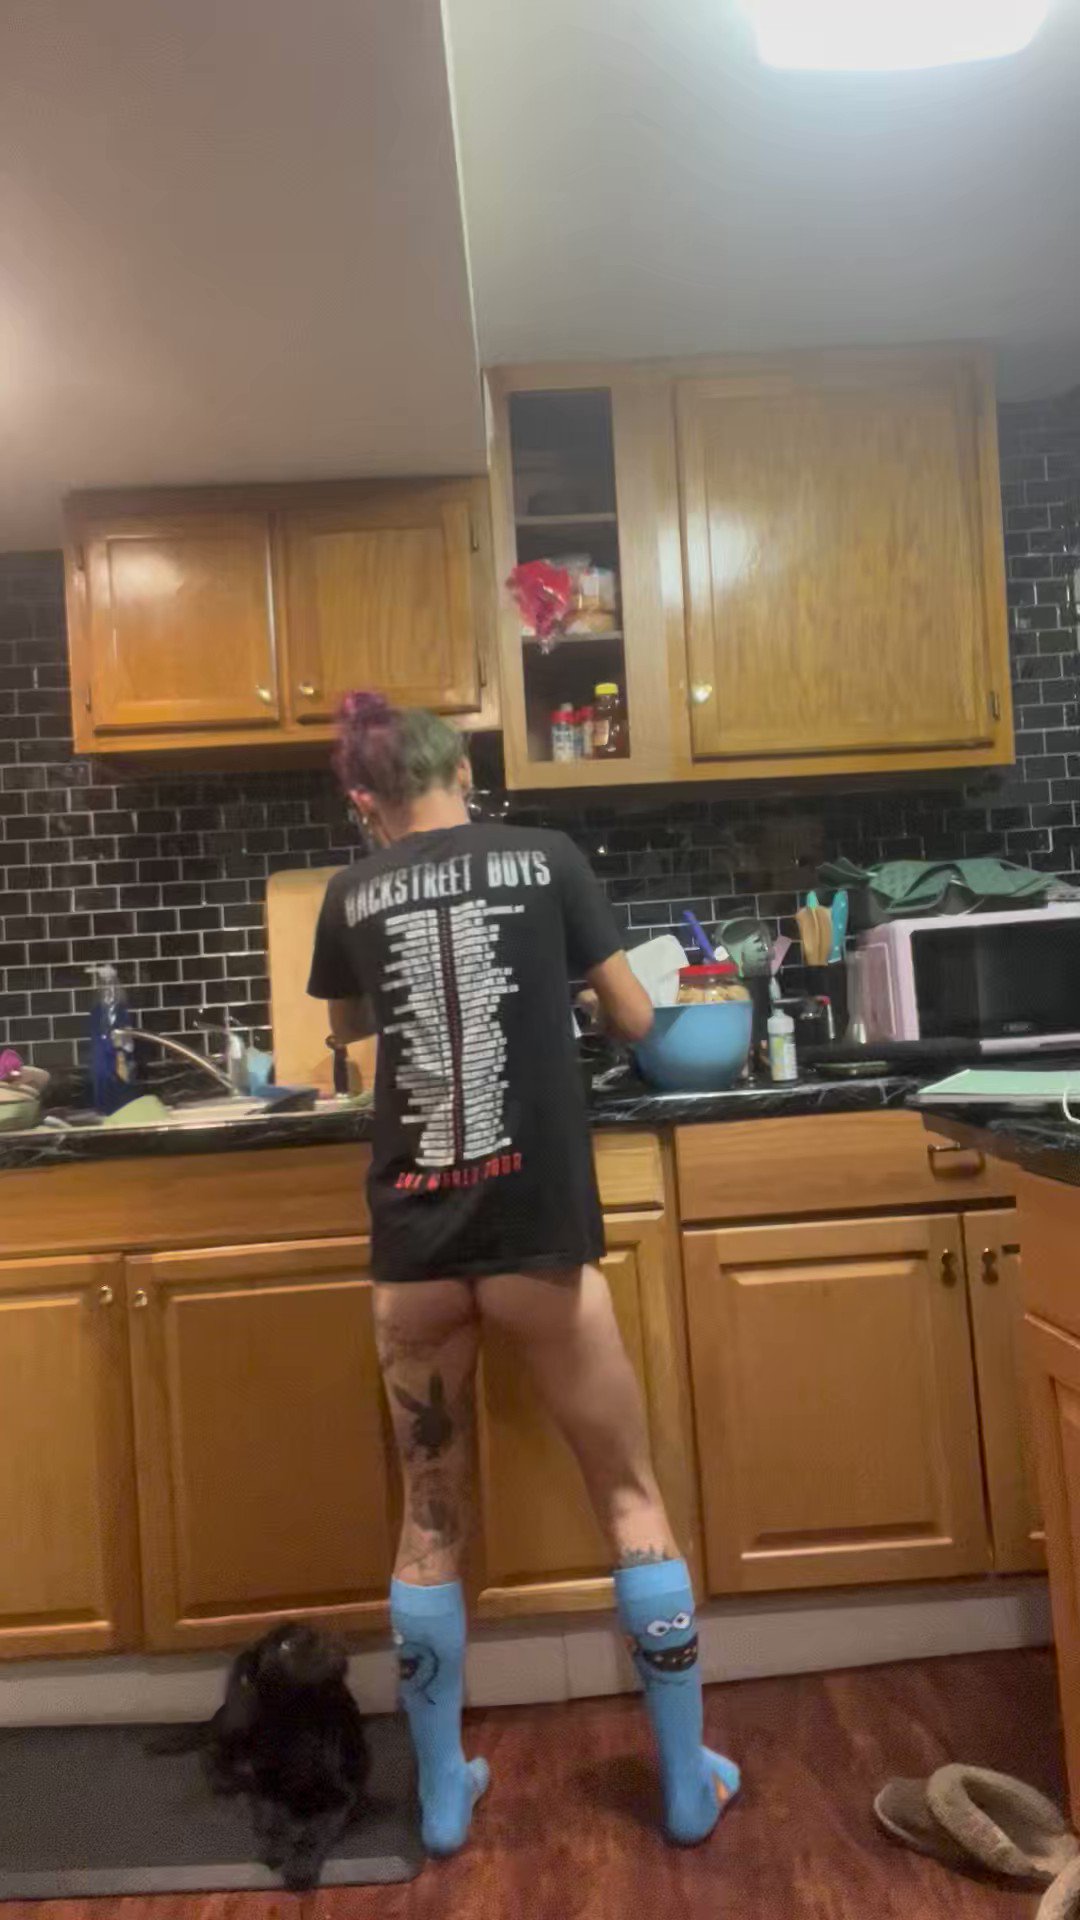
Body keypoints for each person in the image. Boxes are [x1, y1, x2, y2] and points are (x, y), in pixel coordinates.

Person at [308, 692, 739, 1856]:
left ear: (365, 799)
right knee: (629, 1495)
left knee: (430, 1518)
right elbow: (638, 1018)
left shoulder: (349, 892)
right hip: (537, 1233)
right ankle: (686, 1783)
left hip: (414, 1246)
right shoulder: (548, 857)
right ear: (463, 768)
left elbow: (350, 1041)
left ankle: (443, 1796)